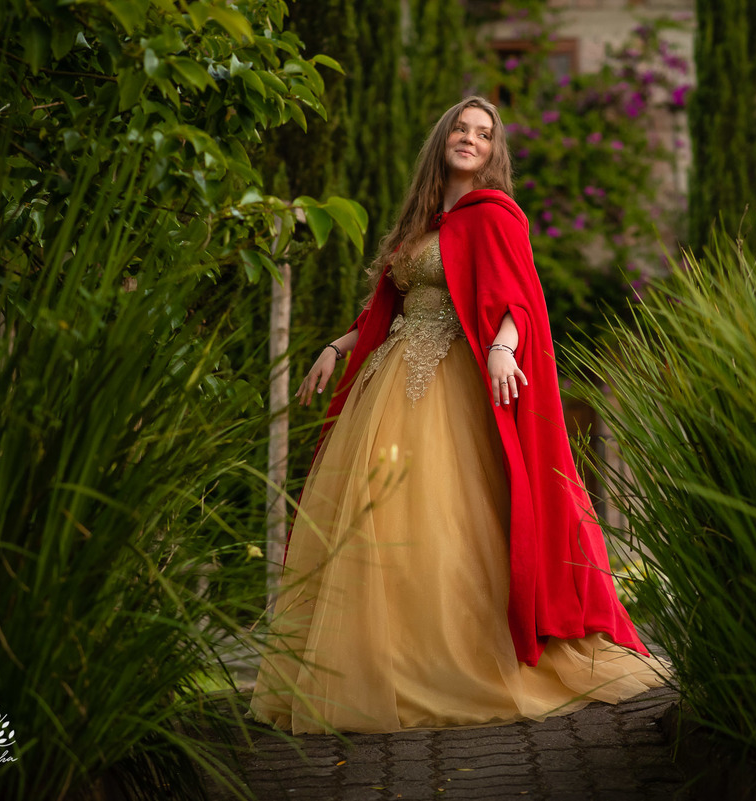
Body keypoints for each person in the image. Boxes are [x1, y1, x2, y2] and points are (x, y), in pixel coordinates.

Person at [251, 96, 662, 734]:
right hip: (387, 382)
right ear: (443, 138)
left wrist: (503, 346)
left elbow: (517, 298)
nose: (469, 139)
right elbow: (384, 310)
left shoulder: (495, 215)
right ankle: (380, 663)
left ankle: (454, 659)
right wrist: (336, 347)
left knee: (448, 520)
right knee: (376, 522)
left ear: (494, 152)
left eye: (483, 134)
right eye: (461, 129)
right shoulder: (418, 222)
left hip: (452, 387)